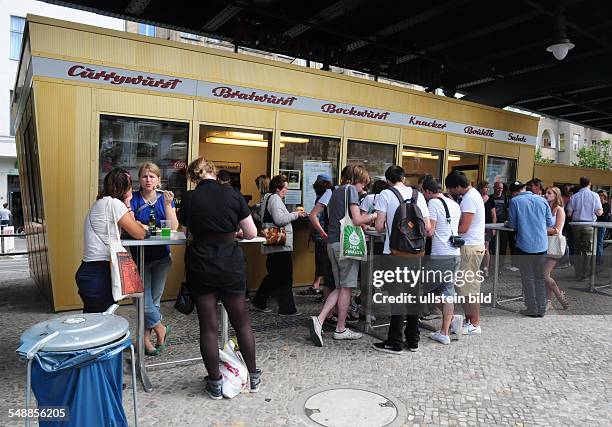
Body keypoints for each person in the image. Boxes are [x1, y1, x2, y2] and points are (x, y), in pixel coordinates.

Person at [178, 157, 260, 399]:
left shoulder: (190, 198)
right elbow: (251, 232)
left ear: (193, 177)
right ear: (213, 172)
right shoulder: (233, 193)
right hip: (230, 265)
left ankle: (215, 383)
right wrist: (232, 232)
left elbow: (185, 231)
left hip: (201, 265)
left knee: (208, 328)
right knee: (242, 322)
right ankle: (253, 377)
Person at [308, 164, 375, 347]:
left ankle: (320, 320)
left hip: (332, 242)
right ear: (356, 179)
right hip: (347, 244)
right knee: (347, 288)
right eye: (363, 183)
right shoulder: (351, 190)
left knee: (339, 286)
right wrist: (373, 216)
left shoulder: (334, 191)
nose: (363, 188)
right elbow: (357, 219)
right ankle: (340, 328)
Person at [372, 165, 431, 354]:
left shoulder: (385, 194)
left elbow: (379, 226)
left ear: (388, 180)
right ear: (404, 178)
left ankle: (395, 342)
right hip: (416, 253)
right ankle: (413, 340)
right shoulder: (418, 195)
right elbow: (428, 227)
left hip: (395, 253)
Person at [75, 168, 147, 313]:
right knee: (101, 326)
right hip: (100, 273)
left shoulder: (101, 203)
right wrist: (127, 203)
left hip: (90, 271)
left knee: (94, 322)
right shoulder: (114, 204)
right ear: (125, 188)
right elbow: (139, 234)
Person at [130, 162, 178, 356]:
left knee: (153, 301)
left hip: (161, 256)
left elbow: (173, 227)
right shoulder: (133, 198)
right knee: (143, 301)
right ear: (139, 180)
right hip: (140, 257)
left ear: (159, 179)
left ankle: (144, 341)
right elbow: (131, 224)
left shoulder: (165, 198)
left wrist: (167, 206)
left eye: (152, 176)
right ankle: (161, 329)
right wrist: (140, 225)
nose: (148, 180)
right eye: (144, 176)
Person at [252, 175, 307, 315]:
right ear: (278, 189)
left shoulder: (267, 198)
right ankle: (287, 309)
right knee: (285, 277)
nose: (286, 191)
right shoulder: (275, 199)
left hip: (272, 243)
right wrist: (296, 214)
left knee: (274, 275)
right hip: (280, 243)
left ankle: (259, 301)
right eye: (285, 188)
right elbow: (280, 219)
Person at [421, 176, 464, 345]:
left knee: (424, 289)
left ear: (428, 191)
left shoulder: (433, 203)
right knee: (448, 292)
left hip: (440, 255)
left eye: (424, 192)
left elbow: (430, 231)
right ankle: (445, 331)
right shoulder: (454, 204)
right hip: (455, 253)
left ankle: (450, 322)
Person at [445, 171, 485, 335]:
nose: (449, 192)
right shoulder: (472, 195)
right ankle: (470, 321)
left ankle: (474, 323)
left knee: (468, 288)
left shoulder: (468, 199)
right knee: (465, 287)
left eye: (450, 188)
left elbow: (463, 228)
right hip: (472, 246)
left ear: (457, 186)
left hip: (469, 247)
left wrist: (447, 231)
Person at [507, 181, 554, 317]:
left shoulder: (515, 201)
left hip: (524, 245)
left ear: (514, 192)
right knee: (540, 277)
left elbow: (513, 224)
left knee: (527, 278)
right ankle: (541, 308)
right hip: (541, 244)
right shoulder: (542, 200)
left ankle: (532, 308)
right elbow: (549, 222)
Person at [566, 177, 603, 280]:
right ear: (590, 183)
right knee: (588, 251)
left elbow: (569, 213)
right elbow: (599, 212)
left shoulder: (574, 196)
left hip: (576, 225)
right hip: (589, 225)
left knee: (577, 249)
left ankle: (578, 273)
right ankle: (585, 274)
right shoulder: (594, 195)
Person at [543, 186, 569, 310]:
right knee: (546, 275)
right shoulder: (545, 208)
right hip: (543, 244)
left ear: (555, 195)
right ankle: (548, 302)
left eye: (549, 193)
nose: (546, 194)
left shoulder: (559, 210)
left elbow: (557, 229)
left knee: (545, 275)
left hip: (554, 244)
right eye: (546, 192)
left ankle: (559, 296)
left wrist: (540, 230)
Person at [308, 175, 334, 293]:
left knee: (322, 262)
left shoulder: (322, 198)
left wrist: (319, 232)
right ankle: (320, 287)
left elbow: (315, 216)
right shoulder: (327, 196)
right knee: (323, 262)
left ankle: (320, 288)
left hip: (322, 234)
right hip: (324, 233)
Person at [478, 181, 497, 278]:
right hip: (477, 227)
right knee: (477, 248)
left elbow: (493, 214)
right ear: (481, 188)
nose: (487, 189)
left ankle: (486, 270)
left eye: (488, 187)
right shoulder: (476, 198)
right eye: (486, 187)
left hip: (487, 226)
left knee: (486, 249)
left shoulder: (490, 200)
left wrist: (493, 227)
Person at [489, 181, 509, 259]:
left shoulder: (506, 198)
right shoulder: (489, 198)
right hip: (492, 226)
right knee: (492, 246)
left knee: (503, 246)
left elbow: (508, 211)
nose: (499, 190)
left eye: (501, 188)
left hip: (503, 226)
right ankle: (492, 265)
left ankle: (500, 266)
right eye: (498, 188)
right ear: (494, 188)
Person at [596, 191, 610, 266]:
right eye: (599, 195)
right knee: (595, 242)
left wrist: (597, 213)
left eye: (602, 195)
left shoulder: (606, 204)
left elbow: (603, 215)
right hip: (594, 224)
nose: (600, 197)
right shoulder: (596, 203)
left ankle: (599, 259)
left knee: (599, 242)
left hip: (602, 225)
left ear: (604, 196)